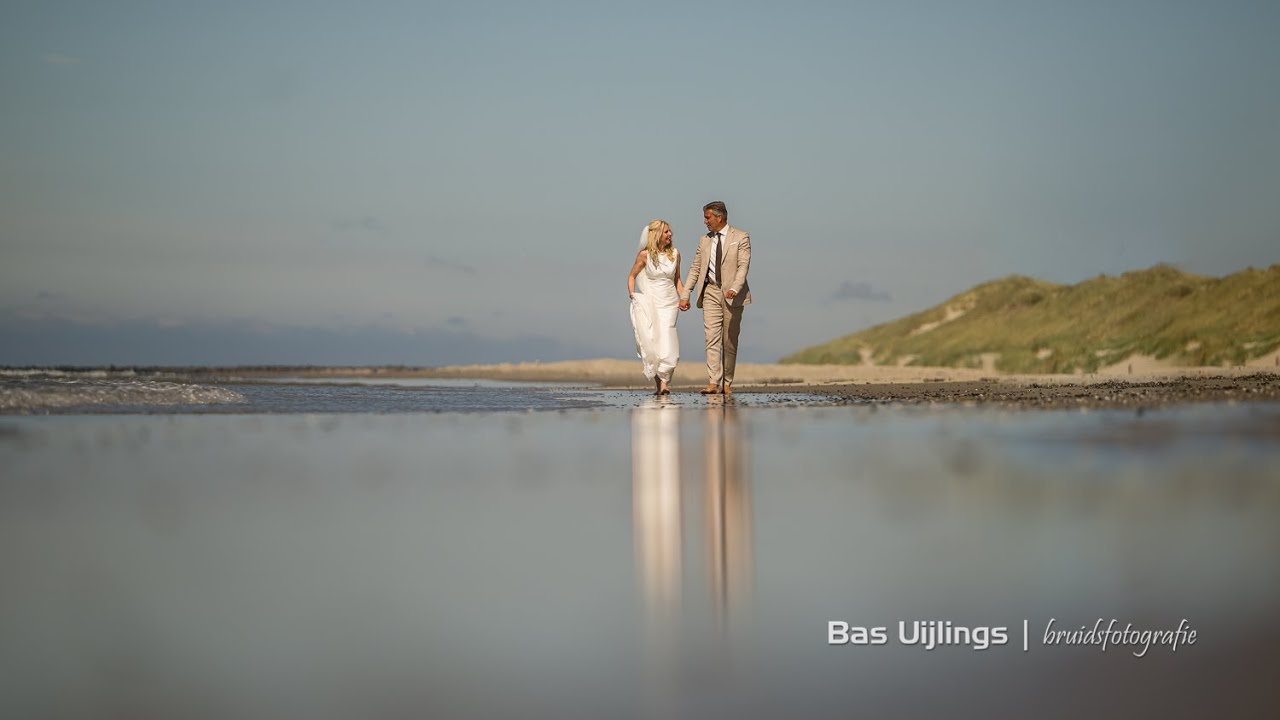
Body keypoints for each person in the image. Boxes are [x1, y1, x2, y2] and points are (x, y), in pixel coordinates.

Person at [678, 201, 751, 396]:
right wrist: (685, 295)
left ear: (720, 217)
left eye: (707, 217)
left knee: (729, 341)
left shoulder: (741, 237)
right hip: (709, 291)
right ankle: (713, 382)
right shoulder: (704, 240)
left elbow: (743, 266)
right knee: (711, 338)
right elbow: (695, 268)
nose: (705, 221)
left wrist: (735, 287)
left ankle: (727, 382)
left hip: (732, 295)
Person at [629, 220, 685, 395]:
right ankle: (661, 384)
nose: (670, 235)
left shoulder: (675, 254)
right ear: (656, 235)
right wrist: (633, 295)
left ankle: (665, 378)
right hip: (651, 302)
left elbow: (677, 279)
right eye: (666, 232)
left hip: (670, 303)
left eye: (670, 231)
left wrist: (684, 298)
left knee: (668, 340)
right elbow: (632, 276)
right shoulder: (645, 255)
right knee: (653, 341)